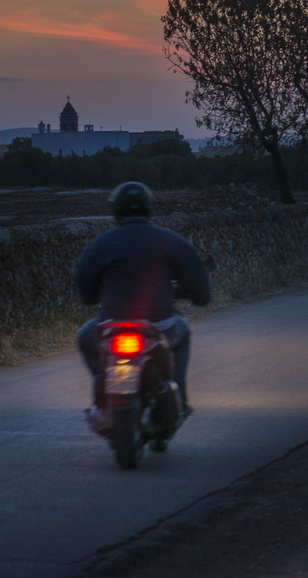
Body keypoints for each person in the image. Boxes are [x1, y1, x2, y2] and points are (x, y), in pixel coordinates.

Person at [74, 181, 211, 432]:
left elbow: (84, 282)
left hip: (110, 325)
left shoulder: (103, 243)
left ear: (116, 210)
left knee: (84, 336)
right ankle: (178, 396)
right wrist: (198, 296)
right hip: (160, 324)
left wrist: (91, 297)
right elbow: (199, 283)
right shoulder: (169, 239)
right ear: (149, 208)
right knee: (183, 333)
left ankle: (103, 391)